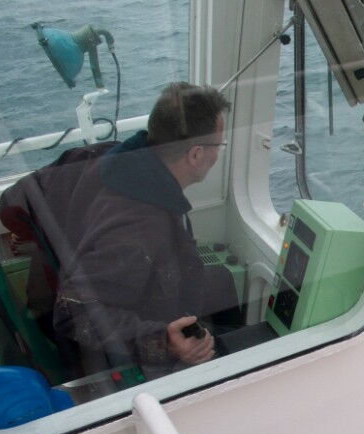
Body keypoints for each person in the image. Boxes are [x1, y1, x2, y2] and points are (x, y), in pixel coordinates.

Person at [52, 82, 240, 378]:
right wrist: (164, 341)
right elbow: (72, 314)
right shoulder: (139, 230)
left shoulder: (113, 158)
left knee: (222, 280)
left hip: (146, 290)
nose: (218, 155)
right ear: (195, 154)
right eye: (219, 146)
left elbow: (28, 191)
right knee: (229, 353)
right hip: (123, 351)